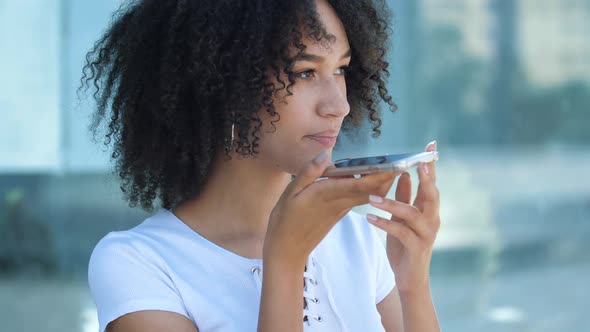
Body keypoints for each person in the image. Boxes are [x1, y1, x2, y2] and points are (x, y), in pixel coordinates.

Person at [80, 0, 441, 331]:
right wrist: (285, 261)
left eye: (341, 69)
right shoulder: (138, 265)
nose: (338, 105)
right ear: (225, 86)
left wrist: (414, 287)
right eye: (304, 72)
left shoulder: (355, 238)